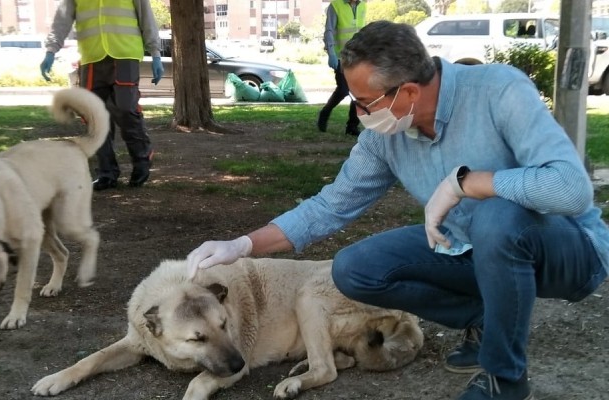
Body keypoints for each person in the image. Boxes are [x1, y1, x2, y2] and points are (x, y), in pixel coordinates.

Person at [185, 20, 609, 400]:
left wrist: (469, 183)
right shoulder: (385, 134)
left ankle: (506, 379)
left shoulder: (499, 90)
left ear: (407, 91)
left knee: (497, 214)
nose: (358, 113)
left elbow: (572, 190)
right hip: (470, 249)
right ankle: (489, 316)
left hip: (570, 252)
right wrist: (242, 244)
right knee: (354, 267)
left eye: (365, 101)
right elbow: (332, 205)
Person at [40, 0, 164, 190]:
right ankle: (107, 172)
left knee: (125, 109)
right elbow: (62, 19)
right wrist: (51, 49)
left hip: (125, 54)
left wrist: (155, 53)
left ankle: (142, 159)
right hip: (92, 57)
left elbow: (146, 17)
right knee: (94, 116)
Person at [317, 0, 366, 136]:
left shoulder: (362, 5)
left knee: (359, 93)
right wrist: (331, 54)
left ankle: (352, 126)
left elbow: (362, 31)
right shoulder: (336, 6)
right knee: (344, 90)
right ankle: (325, 112)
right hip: (341, 57)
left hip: (358, 57)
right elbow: (329, 31)